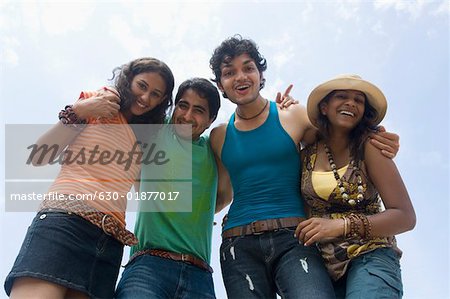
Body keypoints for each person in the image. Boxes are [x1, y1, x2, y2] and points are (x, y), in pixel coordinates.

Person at [209, 35, 400, 298]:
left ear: (260, 75)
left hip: (295, 237)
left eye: (248, 68)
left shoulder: (293, 115)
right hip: (238, 243)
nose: (240, 77)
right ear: (221, 84)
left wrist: (377, 134)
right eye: (229, 73)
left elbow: (339, 136)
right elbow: (221, 195)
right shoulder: (219, 136)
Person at [4, 57, 175, 299]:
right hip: (65, 224)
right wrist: (79, 111)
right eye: (142, 86)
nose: (146, 98)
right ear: (128, 80)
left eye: (156, 94)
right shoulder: (96, 101)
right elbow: (39, 156)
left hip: (109, 242)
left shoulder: (143, 139)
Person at [295, 74, 416, 298]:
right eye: (342, 96)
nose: (351, 103)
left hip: (371, 256)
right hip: (322, 268)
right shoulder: (305, 157)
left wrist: (341, 226)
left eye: (358, 100)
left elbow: (405, 217)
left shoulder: (371, 147)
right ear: (324, 107)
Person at [114, 77, 221, 299]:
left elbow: (224, 196)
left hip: (199, 276)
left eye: (199, 110)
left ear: (211, 120)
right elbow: (127, 102)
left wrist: (198, 212)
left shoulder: (213, 149)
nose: (187, 116)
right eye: (183, 105)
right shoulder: (157, 131)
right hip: (147, 268)